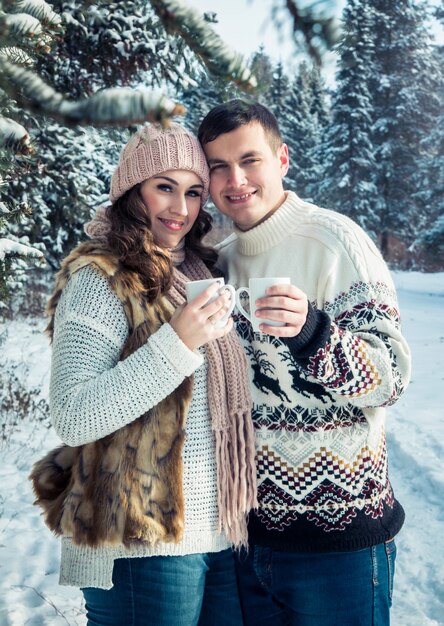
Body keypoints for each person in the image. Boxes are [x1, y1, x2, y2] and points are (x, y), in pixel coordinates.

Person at [29, 122, 257, 626]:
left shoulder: (201, 273)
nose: (180, 208)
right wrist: (176, 343)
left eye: (194, 192)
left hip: (219, 535)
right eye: (164, 188)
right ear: (133, 192)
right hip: (141, 540)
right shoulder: (100, 278)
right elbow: (73, 415)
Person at [198, 100, 412, 626]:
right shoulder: (217, 259)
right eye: (219, 166)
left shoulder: (336, 242)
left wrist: (314, 333)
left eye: (249, 160)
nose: (236, 179)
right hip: (243, 542)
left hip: (337, 544)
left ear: (282, 158)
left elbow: (392, 379)